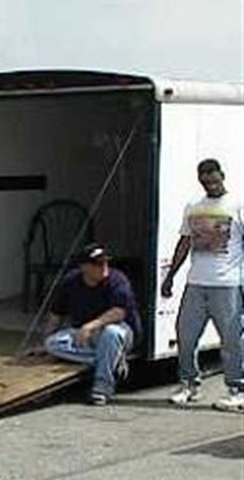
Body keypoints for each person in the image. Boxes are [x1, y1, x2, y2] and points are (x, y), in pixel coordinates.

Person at [160, 158, 243, 411]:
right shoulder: (193, 207)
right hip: (196, 282)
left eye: (215, 181)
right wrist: (171, 275)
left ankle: (237, 388)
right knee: (185, 335)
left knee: (231, 339)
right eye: (206, 182)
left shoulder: (237, 205)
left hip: (227, 283)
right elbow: (184, 242)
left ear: (223, 176)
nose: (212, 186)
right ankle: (189, 384)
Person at [43, 243, 140, 405]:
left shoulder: (117, 279)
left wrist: (90, 326)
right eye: (97, 264)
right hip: (85, 336)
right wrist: (44, 345)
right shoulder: (71, 281)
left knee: (111, 333)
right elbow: (56, 314)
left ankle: (102, 387)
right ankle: (111, 360)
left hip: (118, 331)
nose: (103, 267)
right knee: (52, 343)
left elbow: (119, 312)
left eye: (105, 262)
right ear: (84, 267)